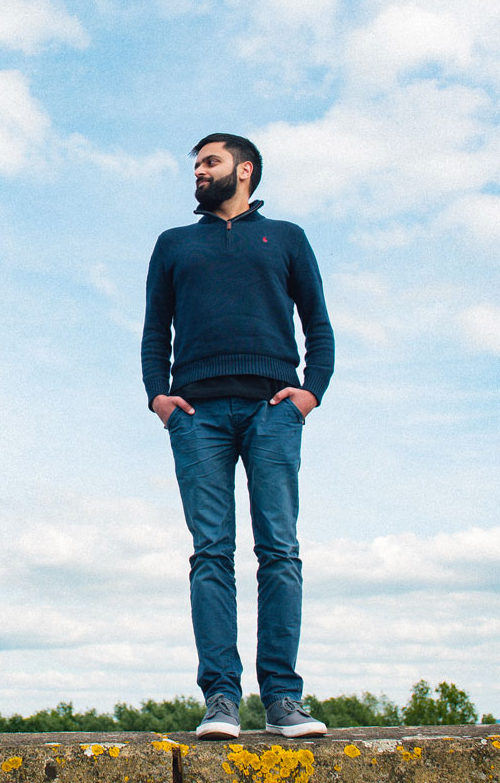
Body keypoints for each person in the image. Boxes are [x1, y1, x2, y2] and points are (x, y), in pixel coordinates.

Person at [141, 134, 334, 741]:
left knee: (279, 550)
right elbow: (155, 330)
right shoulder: (174, 244)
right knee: (210, 554)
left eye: (210, 162)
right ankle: (221, 698)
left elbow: (319, 324)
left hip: (273, 410)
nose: (199, 171)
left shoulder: (288, 238)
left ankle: (283, 700)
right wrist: (160, 397)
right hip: (198, 416)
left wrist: (311, 392)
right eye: (195, 163)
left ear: (244, 171)